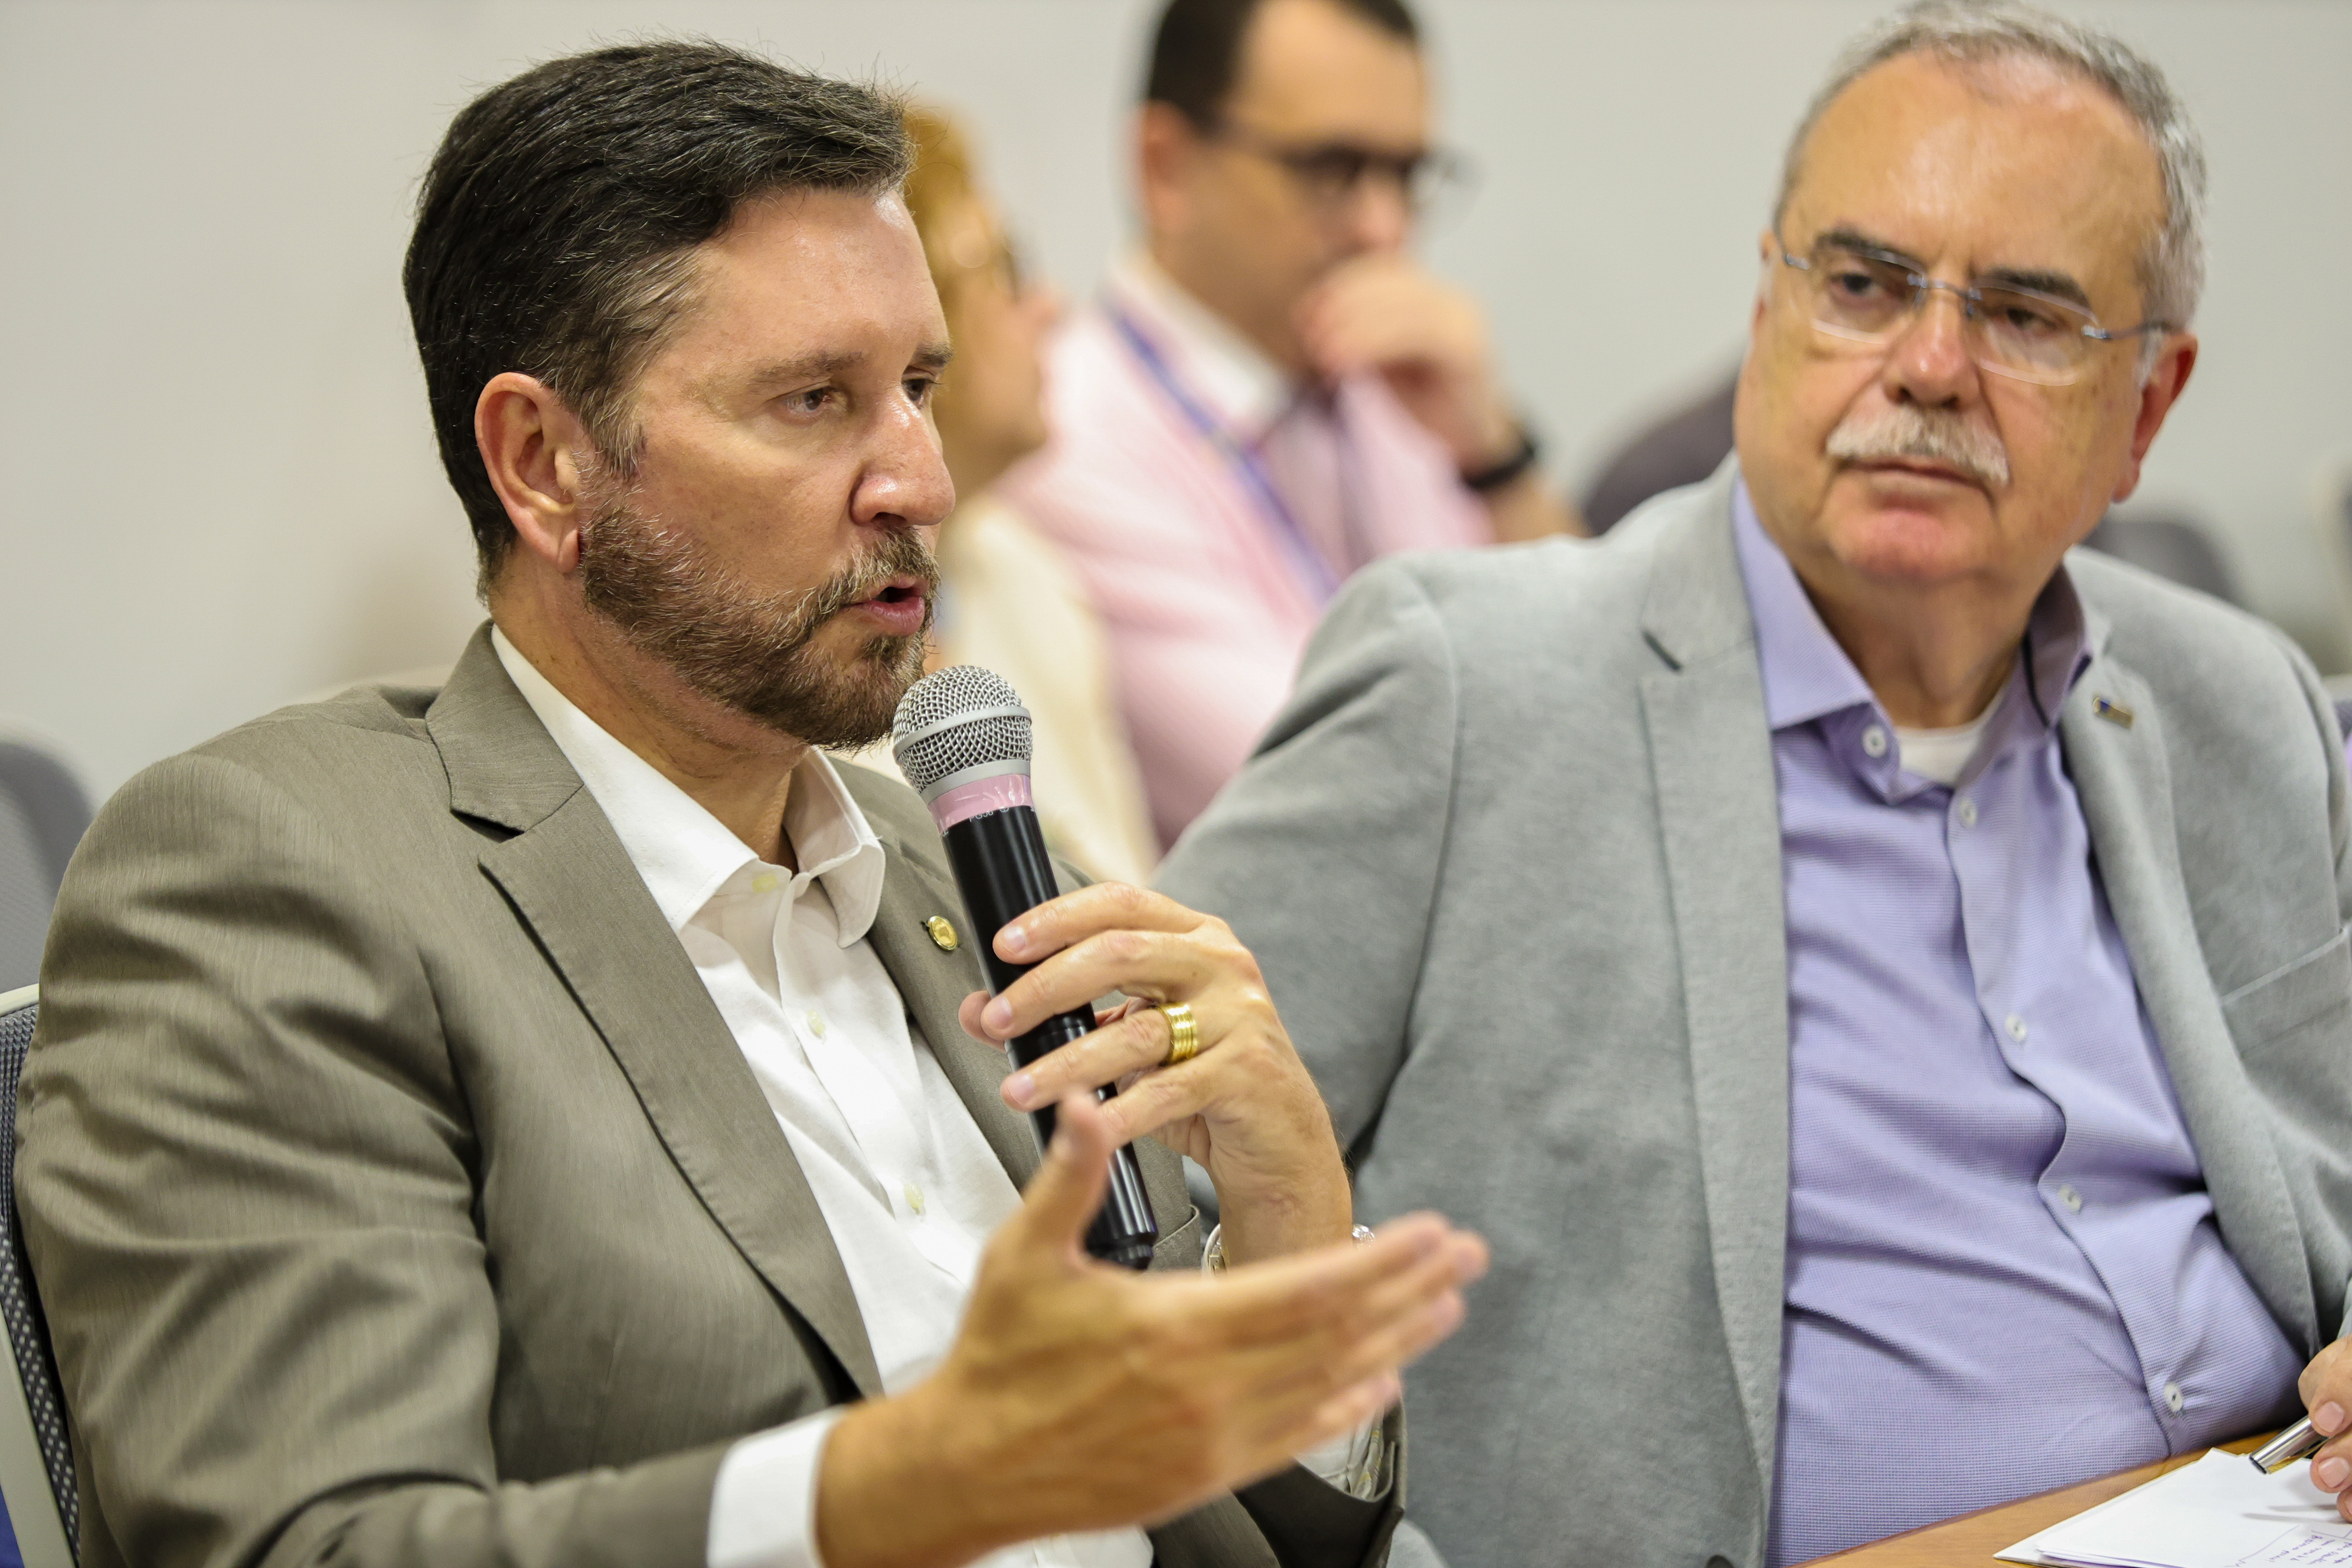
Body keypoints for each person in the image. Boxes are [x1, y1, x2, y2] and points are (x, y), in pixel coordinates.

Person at [18, 43, 1488, 1568]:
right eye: (813, 400)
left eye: (917, 388)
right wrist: (899, 1485)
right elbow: (315, 1545)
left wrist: (1286, 1242)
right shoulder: (276, 875)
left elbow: (1297, 1540)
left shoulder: (958, 860)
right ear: (544, 464)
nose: (919, 480)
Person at [1158, 3, 2352, 1563]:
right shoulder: (1469, 688)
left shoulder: (2240, 699)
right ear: (1769, 303)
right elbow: (1124, 1181)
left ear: (2148, 407)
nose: (1930, 367)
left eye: (2024, 314)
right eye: (1863, 286)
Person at [1001, 0, 1577, 848]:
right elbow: (1342, 799)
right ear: (1166, 166)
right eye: (1333, 168)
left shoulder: (1400, 387)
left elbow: (1606, 683)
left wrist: (1495, 457)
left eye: (1406, 175)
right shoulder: (1065, 429)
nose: (1384, 227)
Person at [871, 106, 1159, 887]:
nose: (1051, 306)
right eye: (1008, 268)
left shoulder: (1024, 571)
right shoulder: (791, 627)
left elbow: (1132, 892)